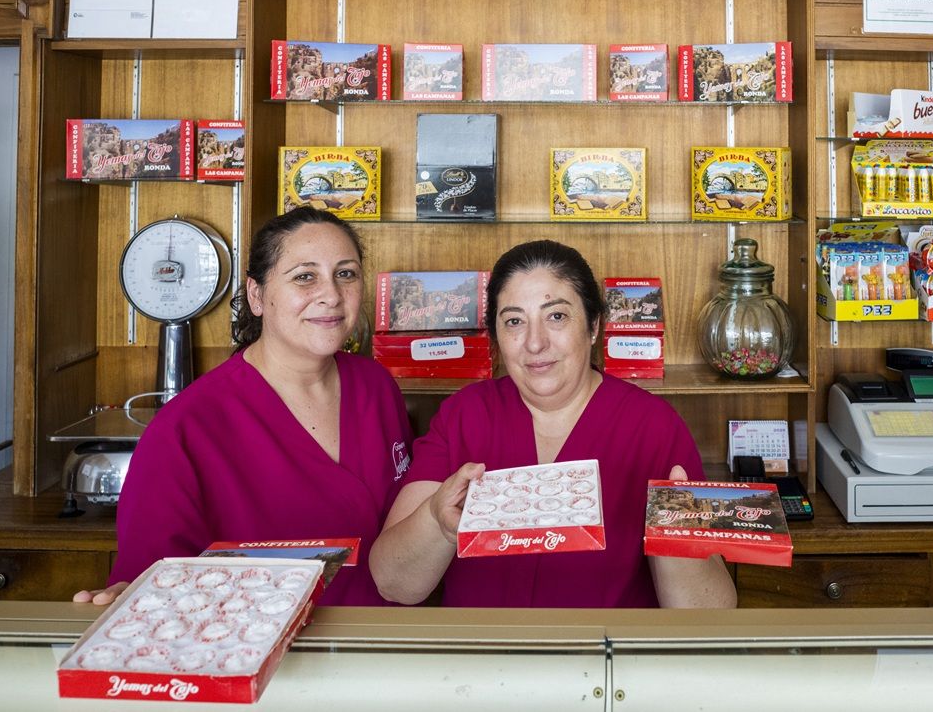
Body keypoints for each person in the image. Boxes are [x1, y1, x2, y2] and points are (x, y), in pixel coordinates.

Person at [369, 240, 737, 608]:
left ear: (593, 326)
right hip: (481, 658)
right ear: (496, 337)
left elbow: (712, 613)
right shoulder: (464, 415)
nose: (534, 343)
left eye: (556, 316)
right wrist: (438, 521)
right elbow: (393, 584)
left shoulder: (654, 427)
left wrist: (675, 540)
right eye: (514, 321)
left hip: (606, 659)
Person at [75, 207, 412, 606]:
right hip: (267, 654)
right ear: (257, 295)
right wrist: (125, 594)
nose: (331, 295)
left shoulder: (375, 386)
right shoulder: (186, 428)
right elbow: (149, 578)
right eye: (305, 277)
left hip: (389, 644)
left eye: (346, 274)